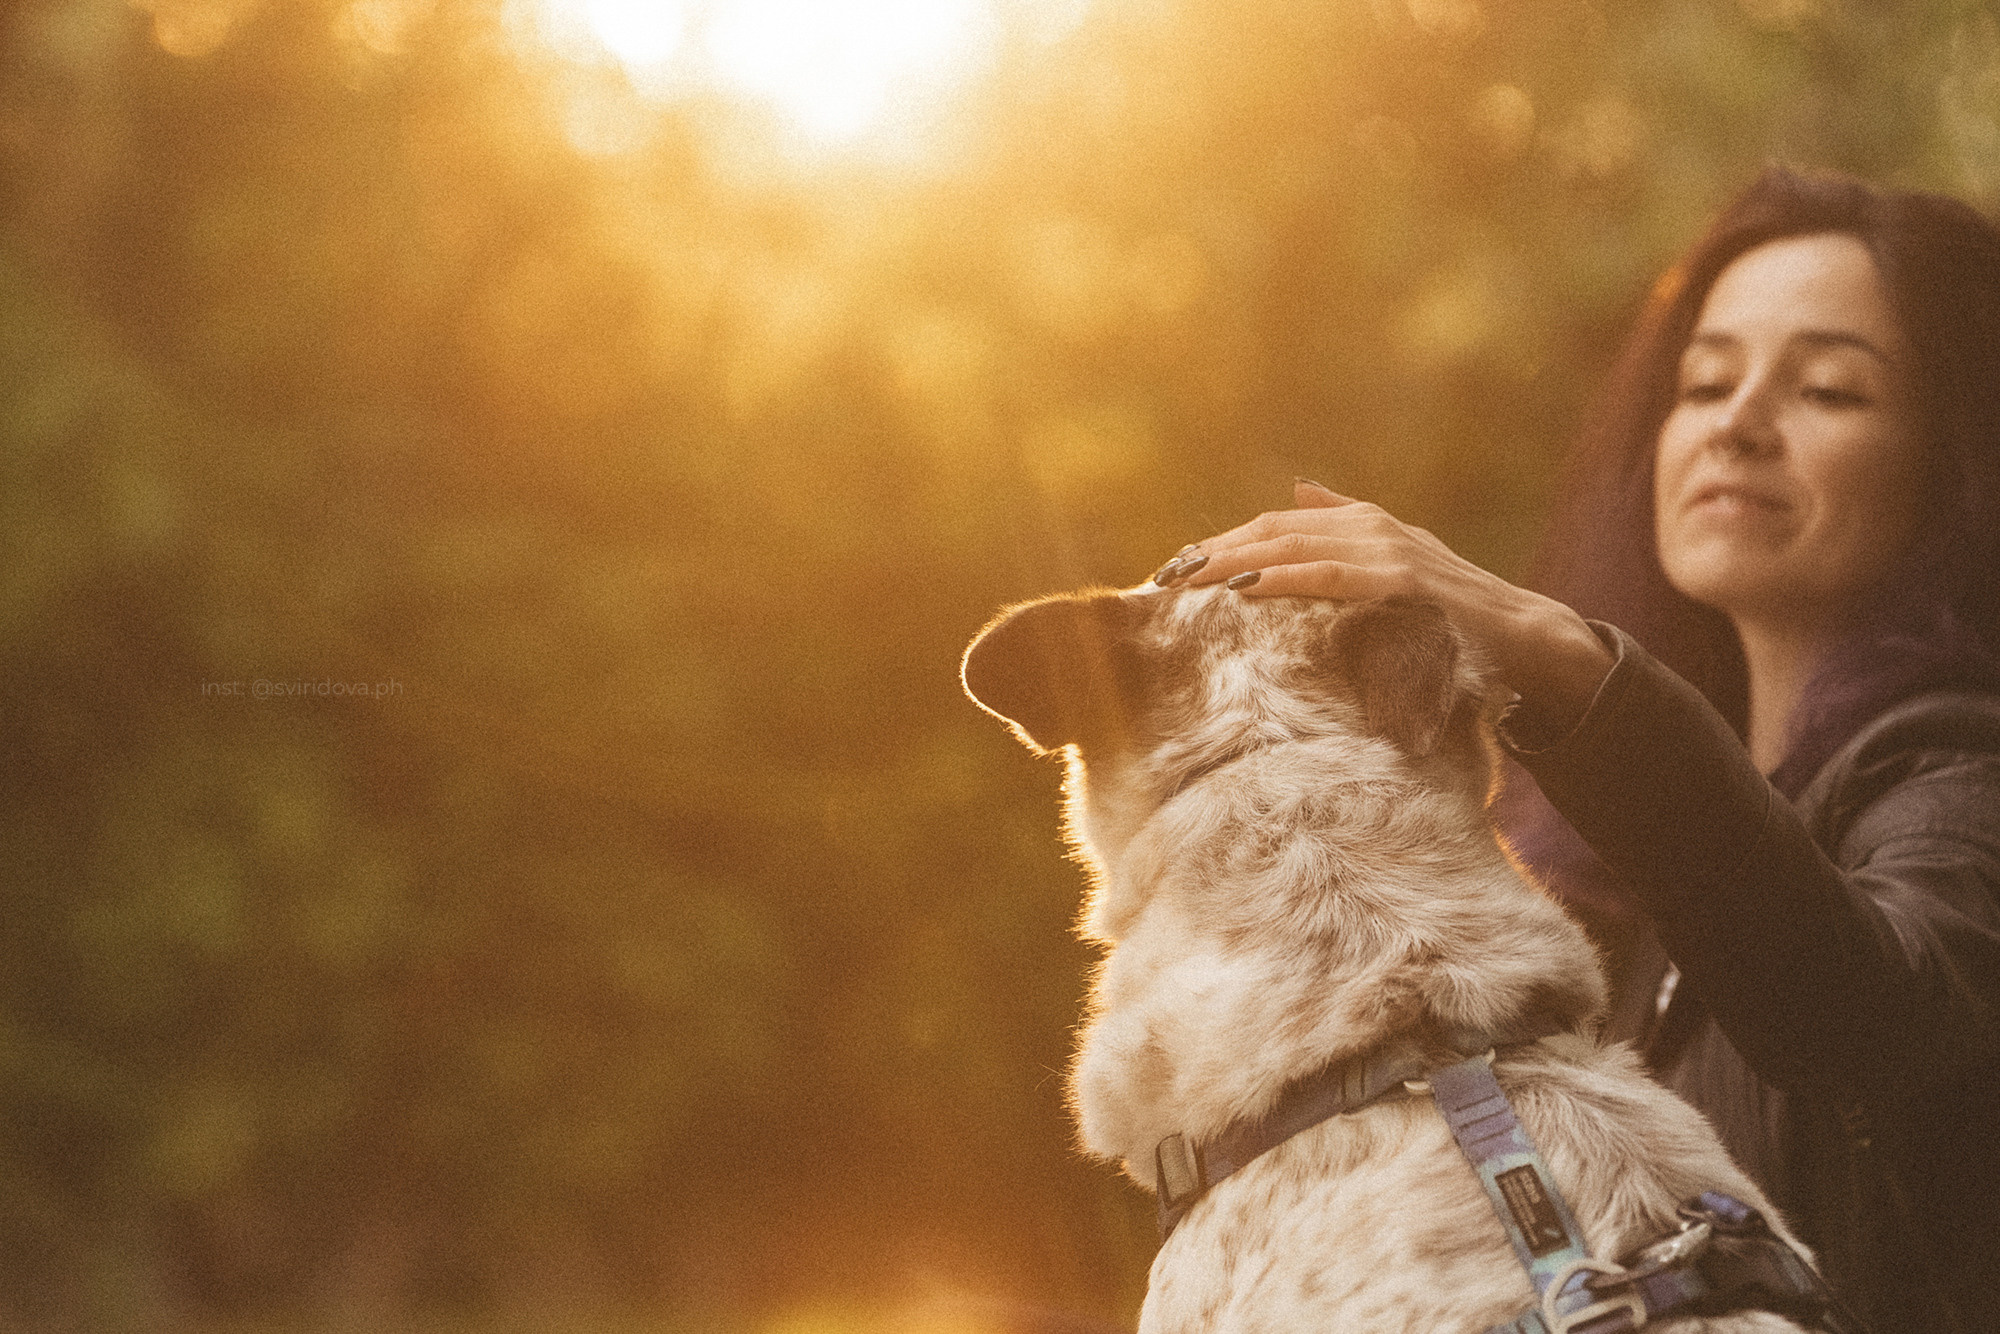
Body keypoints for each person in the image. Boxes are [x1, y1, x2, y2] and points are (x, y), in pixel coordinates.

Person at [1156, 168, 2000, 1334]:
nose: (1735, 420)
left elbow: (1865, 1017)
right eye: (1704, 379)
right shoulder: (1643, 886)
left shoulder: (1964, 770)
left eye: (1825, 388)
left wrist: (1564, 664)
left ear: (1957, 459)